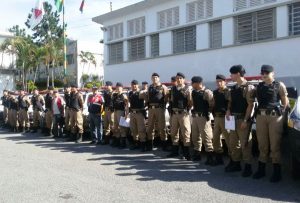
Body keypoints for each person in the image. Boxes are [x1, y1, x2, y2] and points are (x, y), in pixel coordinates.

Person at [253, 65, 289, 182]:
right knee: (262, 144)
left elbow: (285, 101)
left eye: (266, 73)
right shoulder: (259, 86)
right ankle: (261, 170)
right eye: (262, 73)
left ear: (272, 73)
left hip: (275, 117)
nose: (264, 75)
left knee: (275, 145)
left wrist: (283, 117)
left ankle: (277, 172)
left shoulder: (279, 85)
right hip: (261, 117)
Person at [225, 65, 254, 177]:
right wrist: (228, 110)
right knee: (233, 143)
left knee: (245, 144)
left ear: (237, 74)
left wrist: (246, 120)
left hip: (243, 119)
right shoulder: (235, 87)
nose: (230, 76)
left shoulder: (248, 87)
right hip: (233, 119)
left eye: (232, 74)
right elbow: (230, 102)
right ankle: (236, 163)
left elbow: (250, 106)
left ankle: (248, 166)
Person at [167, 72, 192, 160]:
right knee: (174, 133)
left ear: (184, 79)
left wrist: (186, 110)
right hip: (174, 113)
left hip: (183, 114)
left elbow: (190, 102)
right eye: (177, 78)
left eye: (180, 78)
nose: (179, 80)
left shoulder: (187, 88)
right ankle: (175, 151)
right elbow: (172, 100)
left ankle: (186, 153)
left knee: (185, 133)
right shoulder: (173, 89)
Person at [190, 76, 215, 165]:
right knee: (195, 136)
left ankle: (210, 157)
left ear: (197, 83)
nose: (191, 84)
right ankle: (197, 154)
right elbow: (193, 103)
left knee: (206, 137)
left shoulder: (207, 92)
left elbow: (212, 104)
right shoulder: (194, 92)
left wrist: (207, 113)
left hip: (203, 117)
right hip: (195, 117)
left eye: (193, 83)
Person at [142, 73, 169, 151]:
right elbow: (147, 97)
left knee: (162, 127)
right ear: (151, 78)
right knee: (150, 127)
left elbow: (166, 97)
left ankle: (164, 145)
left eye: (156, 77)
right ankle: (150, 145)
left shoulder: (163, 87)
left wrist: (163, 106)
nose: (155, 79)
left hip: (159, 108)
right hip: (151, 109)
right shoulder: (150, 87)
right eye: (153, 77)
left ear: (159, 78)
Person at [212, 74, 231, 165]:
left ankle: (233, 159)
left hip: (226, 118)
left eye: (221, 81)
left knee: (228, 138)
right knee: (215, 138)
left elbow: (230, 104)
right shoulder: (215, 92)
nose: (219, 83)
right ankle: (219, 158)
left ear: (225, 82)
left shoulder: (228, 91)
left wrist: (228, 112)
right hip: (217, 117)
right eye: (217, 81)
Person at [128, 80, 147, 151]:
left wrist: (144, 108)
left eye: (135, 84)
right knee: (133, 129)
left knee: (141, 130)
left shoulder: (141, 92)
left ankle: (143, 145)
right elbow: (129, 102)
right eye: (132, 85)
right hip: (132, 113)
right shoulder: (130, 93)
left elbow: (146, 100)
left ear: (138, 85)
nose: (134, 86)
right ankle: (136, 144)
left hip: (139, 113)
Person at [111, 82, 128, 148]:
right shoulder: (115, 95)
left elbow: (127, 104)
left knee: (122, 127)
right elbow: (112, 100)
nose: (118, 88)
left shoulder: (123, 95)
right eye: (117, 87)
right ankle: (117, 142)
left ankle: (123, 144)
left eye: (119, 87)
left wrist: (126, 113)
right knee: (116, 127)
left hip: (121, 111)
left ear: (122, 88)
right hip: (115, 111)